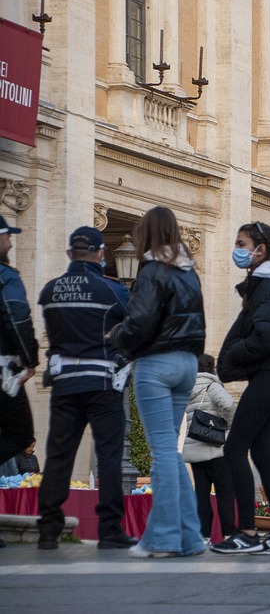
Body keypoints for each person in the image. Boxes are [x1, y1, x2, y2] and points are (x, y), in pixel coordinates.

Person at [110, 207, 206, 559]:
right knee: (172, 454)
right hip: (187, 363)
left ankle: (161, 538)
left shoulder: (153, 270)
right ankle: (190, 537)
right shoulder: (189, 271)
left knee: (162, 453)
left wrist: (118, 334)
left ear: (146, 235)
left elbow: (141, 321)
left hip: (157, 364)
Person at [36, 226, 137, 551]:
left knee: (58, 455)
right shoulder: (112, 290)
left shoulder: (50, 291)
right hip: (103, 381)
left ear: (69, 254)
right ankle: (109, 530)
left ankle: (48, 530)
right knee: (109, 455)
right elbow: (134, 324)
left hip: (65, 383)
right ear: (100, 254)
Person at [212, 221, 270, 555]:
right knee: (262, 454)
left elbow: (269, 334)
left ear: (260, 250)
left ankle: (247, 532)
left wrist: (234, 355)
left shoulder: (267, 286)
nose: (237, 249)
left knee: (234, 448)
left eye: (242, 243)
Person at [0, 215, 38, 548]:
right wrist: (31, 360)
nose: (11, 243)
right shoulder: (6, 277)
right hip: (2, 370)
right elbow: (17, 315)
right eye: (6, 236)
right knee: (21, 433)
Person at [182, 354, 237, 543]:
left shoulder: (188, 388)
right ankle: (229, 532)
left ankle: (204, 535)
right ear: (212, 368)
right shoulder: (212, 386)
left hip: (195, 447)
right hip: (216, 448)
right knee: (225, 493)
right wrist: (228, 424)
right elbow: (229, 404)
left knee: (202, 495)